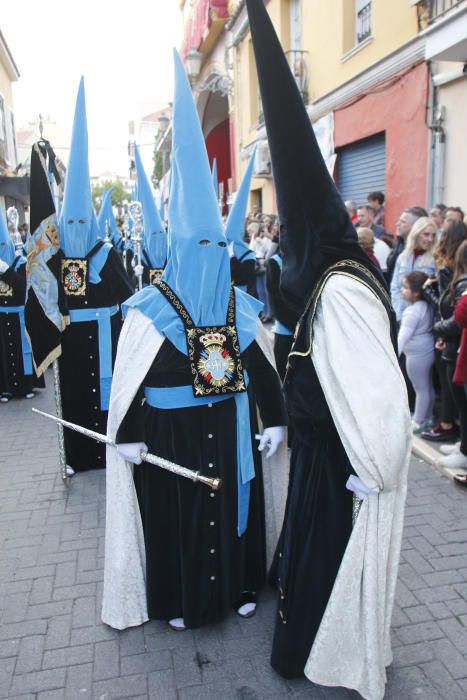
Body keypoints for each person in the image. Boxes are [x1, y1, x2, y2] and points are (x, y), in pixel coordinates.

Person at [247, 2, 411, 699]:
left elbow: (374, 389)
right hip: (317, 452)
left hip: (340, 461)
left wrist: (371, 464)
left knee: (326, 559)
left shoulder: (341, 289)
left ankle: (327, 647)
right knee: (310, 558)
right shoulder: (324, 280)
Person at [102, 49, 287, 633]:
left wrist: (275, 419)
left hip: (231, 427)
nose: (211, 258)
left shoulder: (238, 303)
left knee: (235, 507)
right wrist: (127, 435)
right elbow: (128, 380)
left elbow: (260, 367)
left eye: (218, 247)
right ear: (180, 249)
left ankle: (239, 588)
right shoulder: (149, 308)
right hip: (171, 436)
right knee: (177, 518)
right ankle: (178, 600)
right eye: (198, 247)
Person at [57, 78, 132, 473]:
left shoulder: (107, 253)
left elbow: (127, 295)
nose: (75, 224)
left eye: (80, 218)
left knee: (103, 396)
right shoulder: (55, 258)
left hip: (105, 338)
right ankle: (77, 457)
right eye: (69, 218)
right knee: (75, 396)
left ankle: (110, 452)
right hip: (71, 342)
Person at [421, 220, 467, 442]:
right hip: (454, 336)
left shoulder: (451, 271)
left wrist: (426, 290)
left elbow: (447, 307)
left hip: (452, 337)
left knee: (452, 386)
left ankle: (450, 428)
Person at [0, 211, 35, 402]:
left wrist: (6, 272)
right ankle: (5, 388)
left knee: (22, 353)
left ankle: (25, 385)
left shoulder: (19, 262)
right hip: (0, 315)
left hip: (17, 315)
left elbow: (23, 288)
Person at [398, 271, 435, 433]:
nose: (402, 290)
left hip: (417, 354)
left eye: (406, 287)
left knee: (420, 388)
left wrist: (394, 354)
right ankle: (428, 417)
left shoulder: (412, 312)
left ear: (417, 292)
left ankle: (418, 421)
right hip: (426, 350)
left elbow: (403, 337)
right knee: (427, 387)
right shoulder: (425, 306)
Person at [133, 143, 168, 286]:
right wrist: (135, 273)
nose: (158, 237)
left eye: (160, 233)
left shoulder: (171, 255)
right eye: (154, 234)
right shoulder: (141, 256)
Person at [390, 216, 436, 322]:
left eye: (433, 235)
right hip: (401, 316)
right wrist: (397, 313)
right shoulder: (403, 257)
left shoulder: (436, 259)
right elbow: (395, 287)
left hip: (424, 319)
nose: (430, 239)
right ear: (416, 234)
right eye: (426, 234)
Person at [225, 148, 258, 297]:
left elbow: (244, 277)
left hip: (242, 298)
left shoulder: (248, 254)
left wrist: (232, 258)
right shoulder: (223, 249)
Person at [265, 249, 300, 380]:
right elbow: (275, 301)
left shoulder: (305, 258)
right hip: (286, 330)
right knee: (283, 376)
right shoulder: (275, 262)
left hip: (305, 329)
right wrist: (296, 325)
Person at [386, 207, 427, 284]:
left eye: (403, 222)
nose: (397, 224)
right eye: (399, 221)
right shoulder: (399, 243)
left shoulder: (421, 250)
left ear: (415, 226)